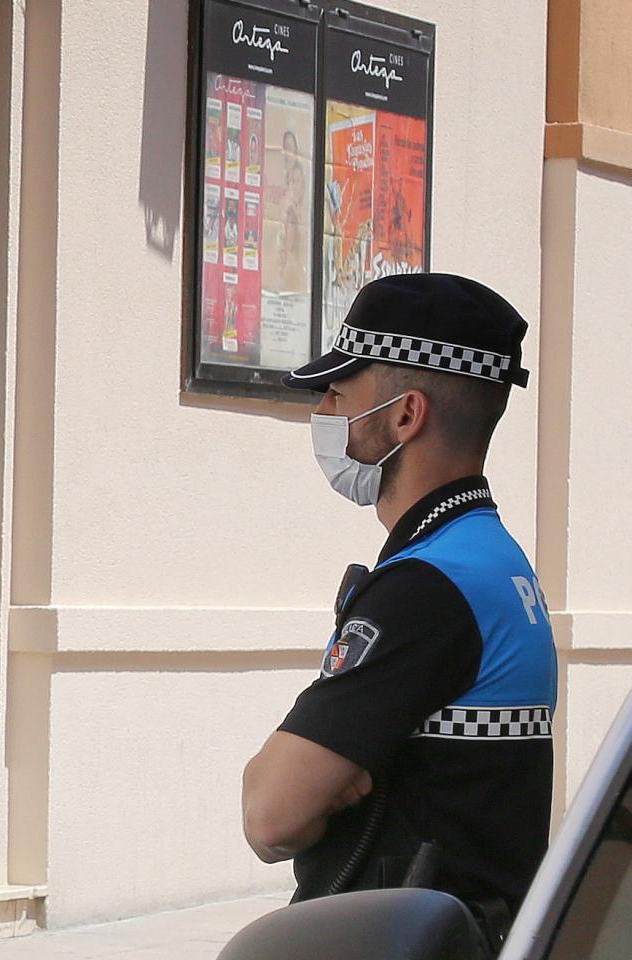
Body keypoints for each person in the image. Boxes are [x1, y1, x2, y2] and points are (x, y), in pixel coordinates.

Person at [240, 273, 555, 946]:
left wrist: (325, 788)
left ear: (406, 416)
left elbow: (270, 813)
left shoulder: (428, 586)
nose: (323, 412)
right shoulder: (493, 561)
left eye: (336, 392)